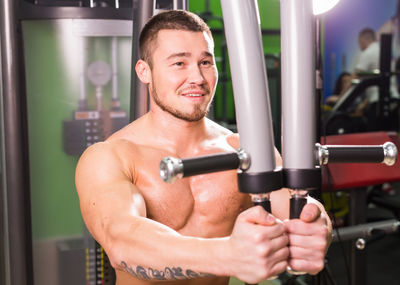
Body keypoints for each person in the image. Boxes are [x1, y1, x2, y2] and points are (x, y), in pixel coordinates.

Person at [75, 10, 332, 285]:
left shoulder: (243, 150)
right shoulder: (111, 156)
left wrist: (317, 228)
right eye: (179, 63)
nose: (197, 77)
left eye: (205, 62)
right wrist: (228, 255)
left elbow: (299, 206)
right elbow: (122, 242)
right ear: (144, 71)